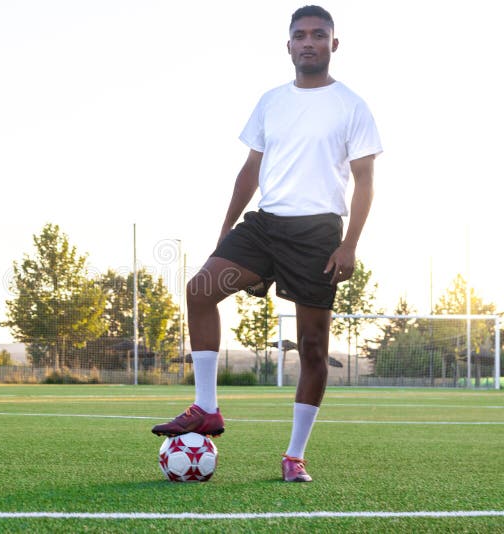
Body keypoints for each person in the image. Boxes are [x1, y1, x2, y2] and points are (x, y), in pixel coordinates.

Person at [151, 5, 382, 483]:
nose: (309, 42)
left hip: (317, 234)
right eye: (301, 35)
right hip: (264, 227)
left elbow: (364, 182)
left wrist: (349, 245)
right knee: (200, 290)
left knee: (313, 349)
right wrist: (227, 228)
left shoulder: (352, 106)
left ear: (333, 45)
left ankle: (294, 454)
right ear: (289, 46)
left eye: (319, 35)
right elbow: (250, 171)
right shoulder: (270, 101)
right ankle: (208, 408)